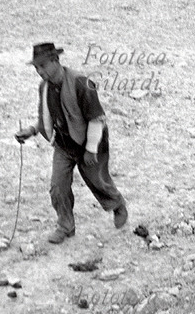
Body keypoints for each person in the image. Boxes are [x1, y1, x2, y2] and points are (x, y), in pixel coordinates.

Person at [15, 43, 128, 244]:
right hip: (64, 144)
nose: (40, 72)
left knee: (98, 180)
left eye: (43, 66)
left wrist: (91, 149)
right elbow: (46, 118)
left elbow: (96, 119)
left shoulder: (81, 83)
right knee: (58, 187)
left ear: (56, 61)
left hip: (90, 142)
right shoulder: (44, 88)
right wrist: (31, 131)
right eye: (36, 68)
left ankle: (117, 204)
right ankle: (66, 226)